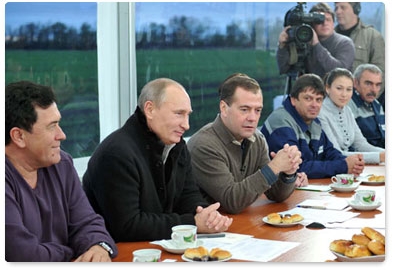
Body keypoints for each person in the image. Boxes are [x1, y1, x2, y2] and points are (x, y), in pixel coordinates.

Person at [82, 78, 233, 242]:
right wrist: (193, 223)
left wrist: (206, 215)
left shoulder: (177, 146)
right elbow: (127, 226)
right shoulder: (116, 153)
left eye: (187, 115)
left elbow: (188, 196)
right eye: (178, 114)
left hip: (159, 245)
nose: (186, 125)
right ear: (149, 109)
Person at [5, 81, 117, 262]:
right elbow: (21, 255)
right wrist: (70, 252)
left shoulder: (61, 164)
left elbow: (88, 223)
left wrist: (98, 247)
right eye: (52, 126)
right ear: (19, 136)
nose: (62, 135)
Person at [187, 74, 305, 214]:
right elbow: (233, 201)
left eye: (258, 110)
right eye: (244, 109)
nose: (252, 118)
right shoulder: (203, 145)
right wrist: (274, 167)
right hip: (208, 230)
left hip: (239, 226)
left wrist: (288, 173)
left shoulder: (257, 138)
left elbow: (276, 194)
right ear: (224, 108)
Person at [260, 73, 365, 179]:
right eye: (308, 98)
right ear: (293, 100)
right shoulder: (281, 121)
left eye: (318, 100)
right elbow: (295, 168)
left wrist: (352, 163)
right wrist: (343, 166)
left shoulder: (314, 121)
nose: (314, 105)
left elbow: (329, 152)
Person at [318, 68, 385, 164]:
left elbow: (361, 144)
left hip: (349, 166)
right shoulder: (320, 112)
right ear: (327, 88)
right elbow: (337, 154)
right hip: (331, 167)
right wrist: (378, 156)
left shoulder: (347, 110)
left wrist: (386, 153)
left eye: (349, 89)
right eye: (339, 88)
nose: (344, 94)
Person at [277, 2, 355, 79]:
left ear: (333, 23)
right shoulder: (303, 42)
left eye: (328, 20)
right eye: (319, 21)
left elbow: (339, 73)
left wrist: (316, 44)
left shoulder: (344, 43)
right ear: (311, 24)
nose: (324, 23)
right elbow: (283, 69)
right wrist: (282, 46)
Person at [334, 2, 385, 109]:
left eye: (343, 8)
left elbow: (381, 74)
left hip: (361, 106)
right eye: (336, 8)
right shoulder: (330, 36)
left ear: (356, 9)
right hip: (334, 102)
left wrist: (368, 103)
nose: (338, 12)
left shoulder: (372, 36)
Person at [348, 64, 385, 149]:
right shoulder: (348, 105)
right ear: (355, 83)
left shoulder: (377, 104)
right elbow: (354, 146)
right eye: (368, 84)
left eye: (378, 85)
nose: (374, 90)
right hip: (365, 157)